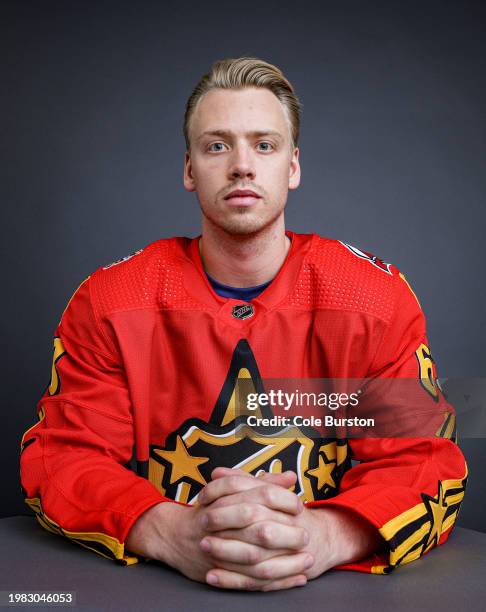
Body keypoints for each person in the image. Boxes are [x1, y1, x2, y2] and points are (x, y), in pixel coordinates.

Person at [20, 57, 467, 592]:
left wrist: (327, 534)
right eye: (216, 146)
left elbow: (424, 458)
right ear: (189, 169)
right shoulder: (110, 301)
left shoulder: (375, 299)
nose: (241, 166)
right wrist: (169, 532)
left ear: (293, 166)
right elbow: (63, 458)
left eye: (264, 145)